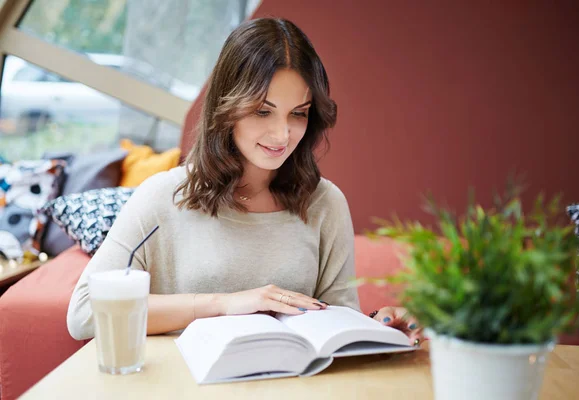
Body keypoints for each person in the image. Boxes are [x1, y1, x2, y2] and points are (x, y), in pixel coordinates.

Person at [67, 18, 422, 345]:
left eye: (298, 114)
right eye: (262, 111)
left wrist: (379, 329)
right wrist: (224, 304)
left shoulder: (325, 203)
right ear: (226, 106)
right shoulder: (163, 197)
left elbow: (334, 321)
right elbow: (83, 313)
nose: (282, 133)